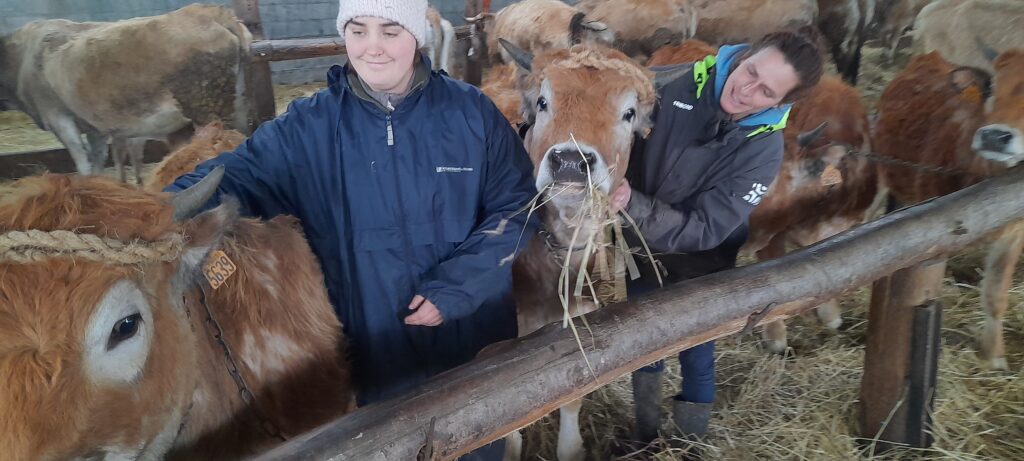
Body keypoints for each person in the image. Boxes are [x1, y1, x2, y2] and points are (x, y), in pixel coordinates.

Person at [166, 0, 537, 457]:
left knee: (480, 443)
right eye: (358, 31)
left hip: (473, 336)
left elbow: (518, 207)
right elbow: (228, 177)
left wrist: (458, 287)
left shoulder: (471, 114)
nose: (372, 48)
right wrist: (143, 212)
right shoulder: (308, 127)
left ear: (417, 36)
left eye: (390, 31)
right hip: (372, 352)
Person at [607, 31, 825, 446]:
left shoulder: (763, 149)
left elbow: (707, 228)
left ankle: (689, 444)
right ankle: (645, 437)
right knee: (642, 339)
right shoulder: (678, 85)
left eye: (765, 91)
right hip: (640, 247)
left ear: (781, 104)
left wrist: (632, 204)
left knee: (697, 349)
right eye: (750, 71)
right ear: (742, 56)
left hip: (703, 258)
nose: (745, 90)